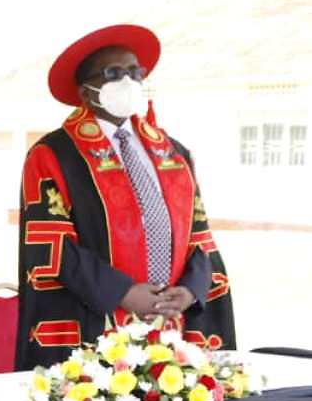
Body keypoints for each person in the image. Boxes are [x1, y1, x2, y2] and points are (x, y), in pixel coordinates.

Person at [15, 23, 235, 370]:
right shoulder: (54, 155)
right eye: (113, 73)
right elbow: (51, 246)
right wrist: (123, 292)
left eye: (135, 72)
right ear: (86, 92)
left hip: (174, 325)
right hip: (97, 326)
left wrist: (191, 289)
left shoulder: (174, 154)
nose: (128, 82)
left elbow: (200, 235)